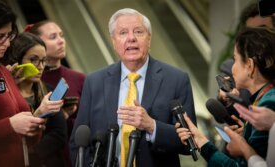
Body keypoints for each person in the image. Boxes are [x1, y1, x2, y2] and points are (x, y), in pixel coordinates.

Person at [70, 8, 196, 167]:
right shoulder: (94, 82)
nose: (131, 38)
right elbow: (78, 142)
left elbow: (190, 142)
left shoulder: (176, 79)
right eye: (123, 33)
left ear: (149, 39)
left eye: (138, 32)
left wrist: (152, 126)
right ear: (114, 41)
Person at [176, 27, 275, 167]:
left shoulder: (268, 103)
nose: (232, 67)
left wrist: (200, 141)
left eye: (235, 59)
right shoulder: (264, 98)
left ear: (250, 65)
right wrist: (245, 135)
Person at [0, 0, 46, 166]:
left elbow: (24, 140)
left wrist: (33, 127)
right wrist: (10, 126)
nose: (7, 43)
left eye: (9, 36)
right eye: (0, 36)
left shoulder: (5, 71)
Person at [26, 20, 85, 167]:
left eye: (62, 35)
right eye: (53, 37)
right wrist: (56, 118)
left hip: (78, 153)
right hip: (44, 157)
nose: (61, 41)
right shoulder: (32, 80)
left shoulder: (79, 77)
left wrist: (69, 117)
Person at [4, 32, 67, 166]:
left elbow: (59, 133)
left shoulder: (47, 90)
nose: (40, 66)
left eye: (43, 60)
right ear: (17, 60)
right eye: (33, 60)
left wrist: (31, 153)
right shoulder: (5, 94)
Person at [217, 2, 275, 117]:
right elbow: (223, 114)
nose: (254, 39)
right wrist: (226, 99)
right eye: (250, 32)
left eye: (262, 31)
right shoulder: (233, 67)